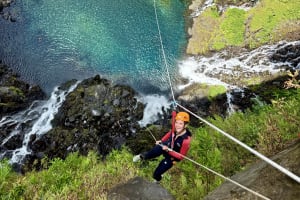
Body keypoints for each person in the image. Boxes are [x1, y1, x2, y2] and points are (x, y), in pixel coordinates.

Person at [133, 111, 192, 183]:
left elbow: (181, 156)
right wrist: (161, 140)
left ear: (185, 125)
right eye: (176, 122)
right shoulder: (175, 128)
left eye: (180, 123)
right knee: (149, 154)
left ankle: (158, 179)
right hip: (166, 145)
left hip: (172, 157)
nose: (177, 125)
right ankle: (140, 157)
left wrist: (169, 151)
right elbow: (170, 132)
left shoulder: (186, 140)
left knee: (156, 174)